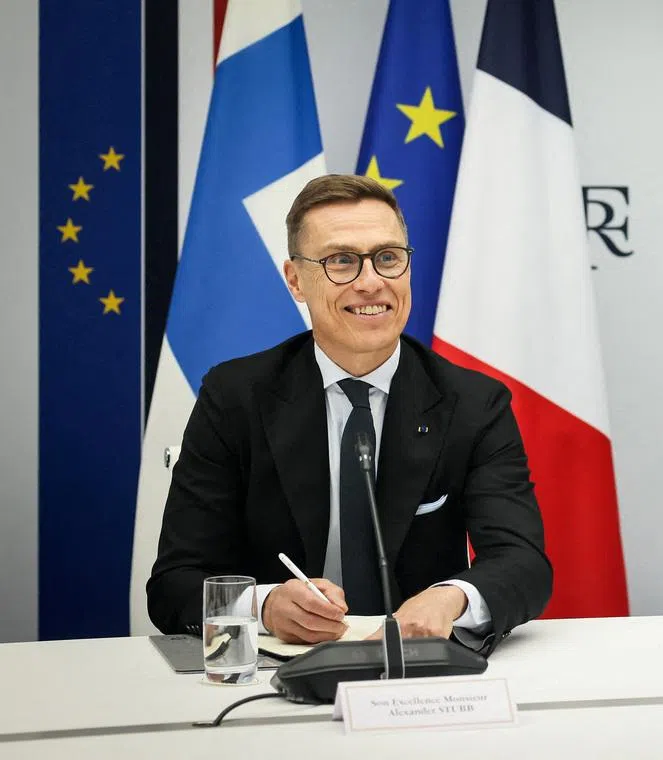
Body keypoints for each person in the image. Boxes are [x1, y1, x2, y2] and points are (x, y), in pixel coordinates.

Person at [148, 174, 552, 654]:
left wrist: (451, 599)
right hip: (275, 673)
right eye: (341, 261)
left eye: (387, 258)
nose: (370, 283)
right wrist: (264, 604)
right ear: (295, 280)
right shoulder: (235, 397)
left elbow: (522, 561)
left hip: (419, 672)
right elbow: (174, 584)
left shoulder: (473, 403)